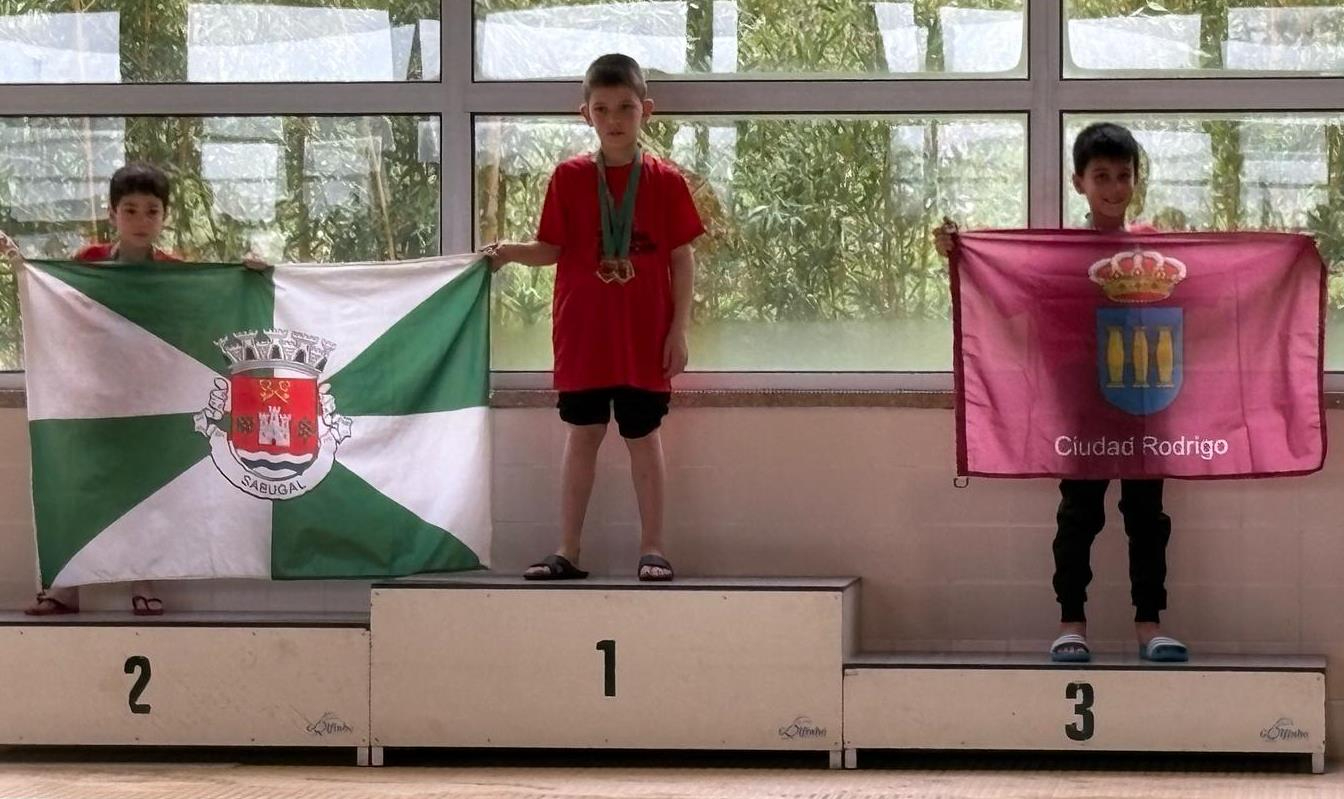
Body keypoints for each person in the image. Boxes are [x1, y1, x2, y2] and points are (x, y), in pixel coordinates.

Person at [935, 123, 1188, 663]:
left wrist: (1289, 252)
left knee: (1147, 518)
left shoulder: (1159, 247)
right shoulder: (1059, 254)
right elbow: (1009, 293)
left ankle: (1150, 626)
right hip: (1082, 409)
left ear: (1136, 180)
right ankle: (1071, 623)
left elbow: (1215, 289)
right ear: (1079, 182)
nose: (1114, 187)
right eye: (1102, 176)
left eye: (1124, 175)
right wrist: (959, 254)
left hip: (1147, 405)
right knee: (1079, 514)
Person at [1, 162, 267, 615]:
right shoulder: (88, 262)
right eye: (130, 210)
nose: (141, 220)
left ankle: (143, 578)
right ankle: (65, 588)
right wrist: (21, 264)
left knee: (147, 491)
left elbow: (208, 313)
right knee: (79, 488)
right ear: (113, 213)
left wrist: (249, 274)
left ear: (165, 216)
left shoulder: (175, 271)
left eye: (151, 211)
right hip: (90, 398)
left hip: (154, 400)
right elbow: (56, 302)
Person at [485, 54, 704, 582]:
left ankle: (653, 548)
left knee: (643, 438)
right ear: (584, 114)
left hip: (643, 337)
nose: (614, 119)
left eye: (626, 107)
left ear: (646, 110)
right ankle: (568, 550)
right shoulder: (569, 178)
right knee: (581, 436)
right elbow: (552, 248)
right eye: (602, 108)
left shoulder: (667, 181)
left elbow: (682, 258)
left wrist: (677, 331)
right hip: (583, 335)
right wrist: (509, 252)